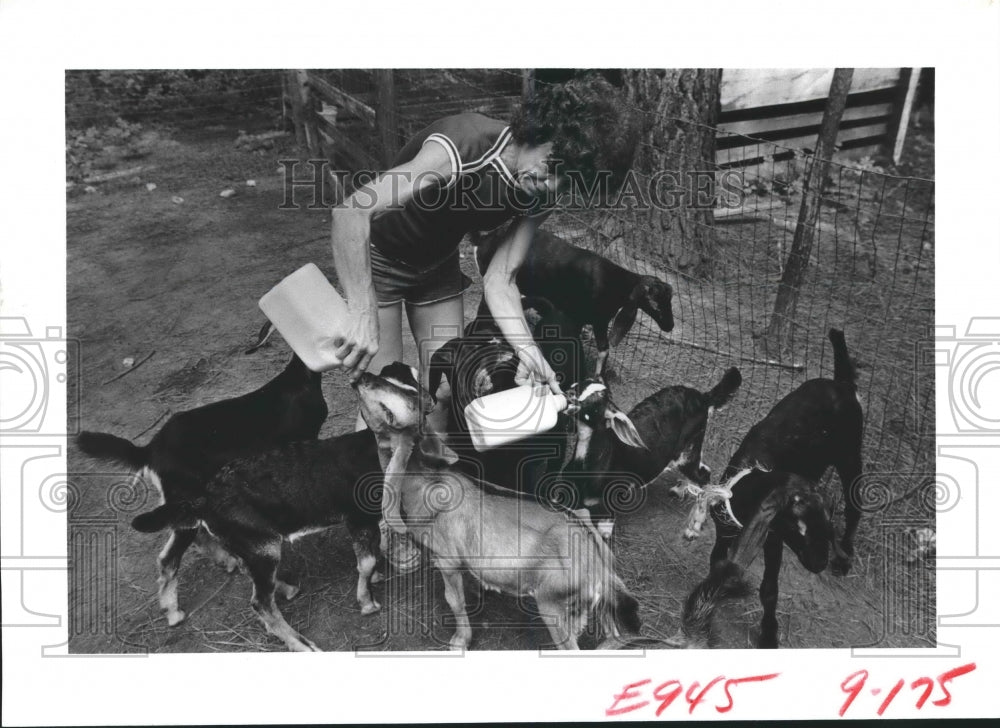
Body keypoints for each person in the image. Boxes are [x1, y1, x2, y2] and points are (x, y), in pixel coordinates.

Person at [328, 75, 638, 423]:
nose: (551, 185)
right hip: (381, 261)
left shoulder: (543, 192)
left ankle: (433, 476)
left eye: (567, 182)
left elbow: (501, 279)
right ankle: (370, 473)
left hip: (438, 266)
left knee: (444, 392)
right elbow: (351, 212)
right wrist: (362, 309)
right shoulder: (466, 145)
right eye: (555, 168)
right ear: (544, 130)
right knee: (387, 407)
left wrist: (529, 351)